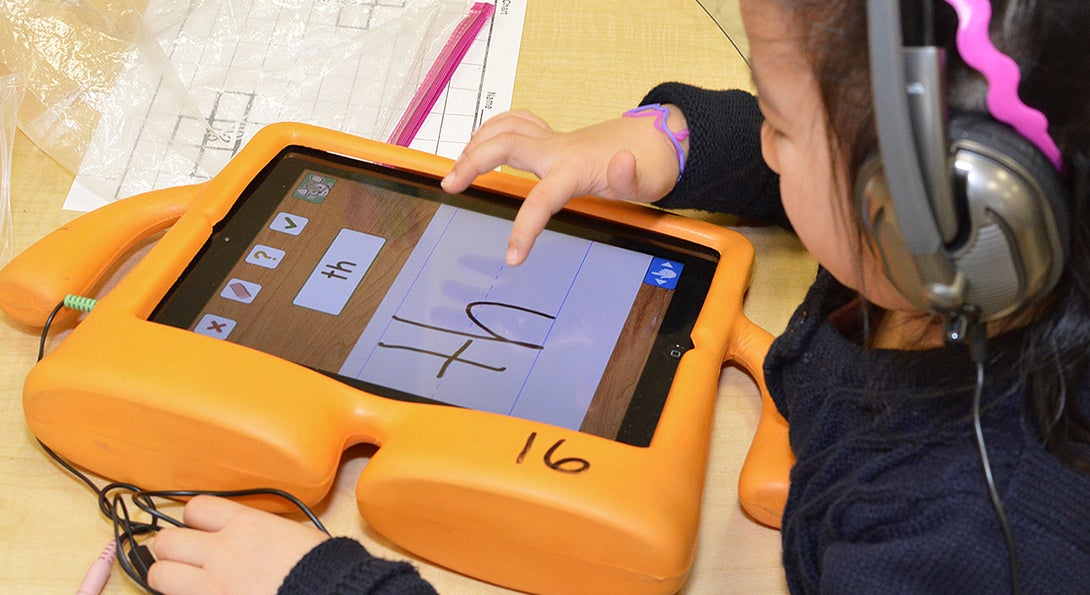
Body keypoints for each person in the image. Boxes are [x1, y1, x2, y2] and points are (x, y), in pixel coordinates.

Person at [147, 0, 1090, 592]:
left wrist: (332, 586)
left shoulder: (959, 546)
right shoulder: (994, 234)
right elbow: (840, 133)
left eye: (772, 122)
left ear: (946, 209)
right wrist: (671, 139)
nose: (761, 141)